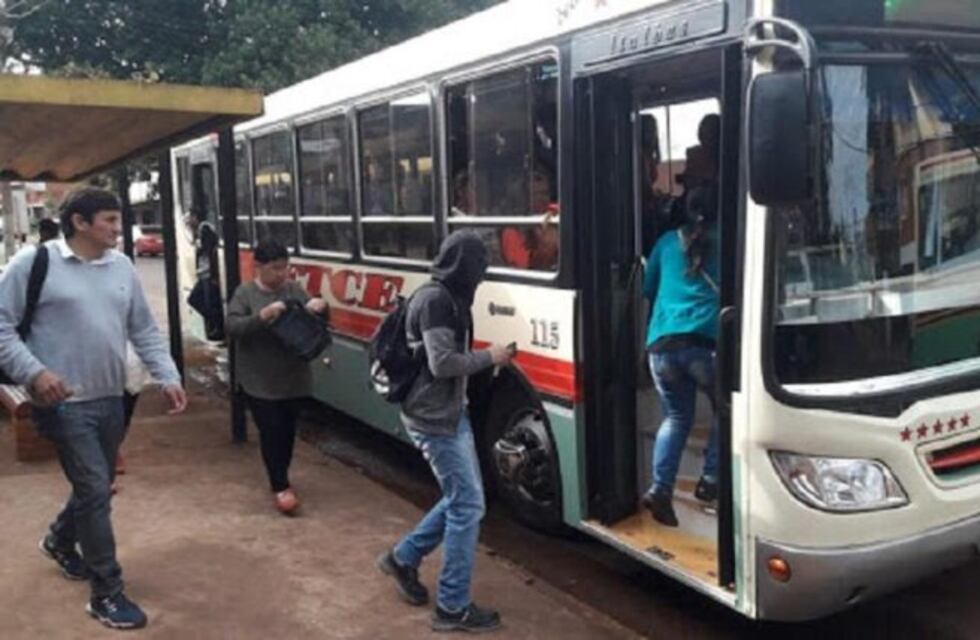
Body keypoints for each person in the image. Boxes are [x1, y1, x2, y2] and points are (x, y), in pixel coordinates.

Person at [0, 187, 187, 630]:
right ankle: (106, 593)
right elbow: (2, 326)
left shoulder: (121, 267)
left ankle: (59, 540)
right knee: (94, 491)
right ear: (80, 223)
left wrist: (168, 375)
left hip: (113, 398)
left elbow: (143, 329)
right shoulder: (34, 263)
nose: (119, 229)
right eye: (110, 221)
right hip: (63, 404)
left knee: (97, 486)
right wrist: (36, 373)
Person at [377, 230, 514, 633]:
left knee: (463, 499)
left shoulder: (448, 296)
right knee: (468, 506)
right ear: (464, 266)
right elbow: (442, 364)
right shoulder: (437, 302)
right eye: (480, 264)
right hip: (434, 417)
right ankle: (452, 607)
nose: (483, 272)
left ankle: (403, 558)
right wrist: (491, 356)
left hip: (448, 413)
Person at [225, 238, 329, 515]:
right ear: (258, 267)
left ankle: (282, 474)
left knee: (287, 430)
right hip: (260, 380)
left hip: (293, 377)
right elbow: (233, 327)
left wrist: (319, 308)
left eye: (285, 267)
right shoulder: (245, 294)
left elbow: (313, 321)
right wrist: (262, 317)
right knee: (271, 430)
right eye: (275, 268)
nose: (281, 274)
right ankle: (280, 484)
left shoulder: (293, 289)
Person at [640, 184, 720, 528]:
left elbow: (647, 288)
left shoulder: (665, 242)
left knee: (675, 417)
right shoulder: (726, 241)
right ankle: (711, 480)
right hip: (704, 345)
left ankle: (660, 489)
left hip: (662, 347)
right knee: (726, 411)